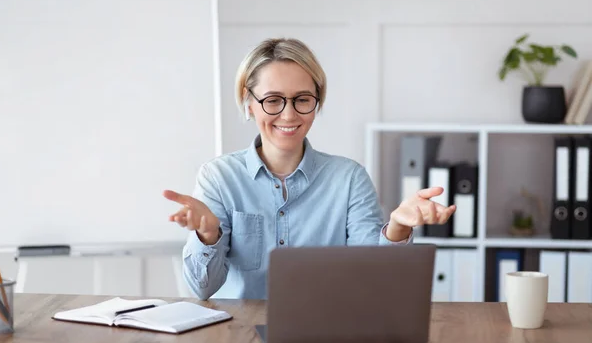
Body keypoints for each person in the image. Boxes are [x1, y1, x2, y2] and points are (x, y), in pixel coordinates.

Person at [163, 38, 456, 300]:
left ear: (316, 102)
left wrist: (397, 229)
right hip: (238, 339)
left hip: (328, 335)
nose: (289, 114)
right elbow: (202, 289)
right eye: (273, 100)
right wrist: (208, 234)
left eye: (302, 99)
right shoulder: (219, 178)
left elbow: (378, 282)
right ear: (249, 102)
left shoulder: (349, 178)